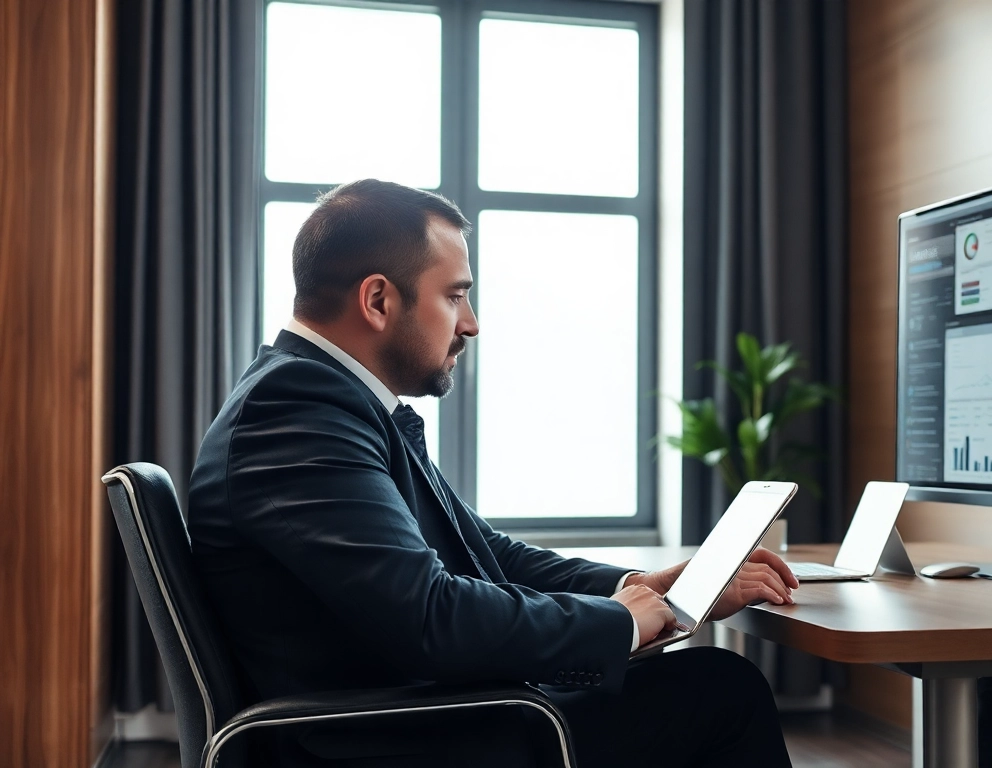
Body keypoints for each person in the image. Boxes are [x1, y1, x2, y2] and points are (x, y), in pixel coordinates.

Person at [188, 179, 798, 767]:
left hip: (414, 718)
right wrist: (621, 623)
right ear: (377, 301)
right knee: (723, 692)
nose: (471, 322)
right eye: (454, 295)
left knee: (702, 688)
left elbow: (484, 552)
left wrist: (647, 585)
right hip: (390, 741)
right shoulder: (296, 410)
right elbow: (430, 617)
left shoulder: (324, 398)